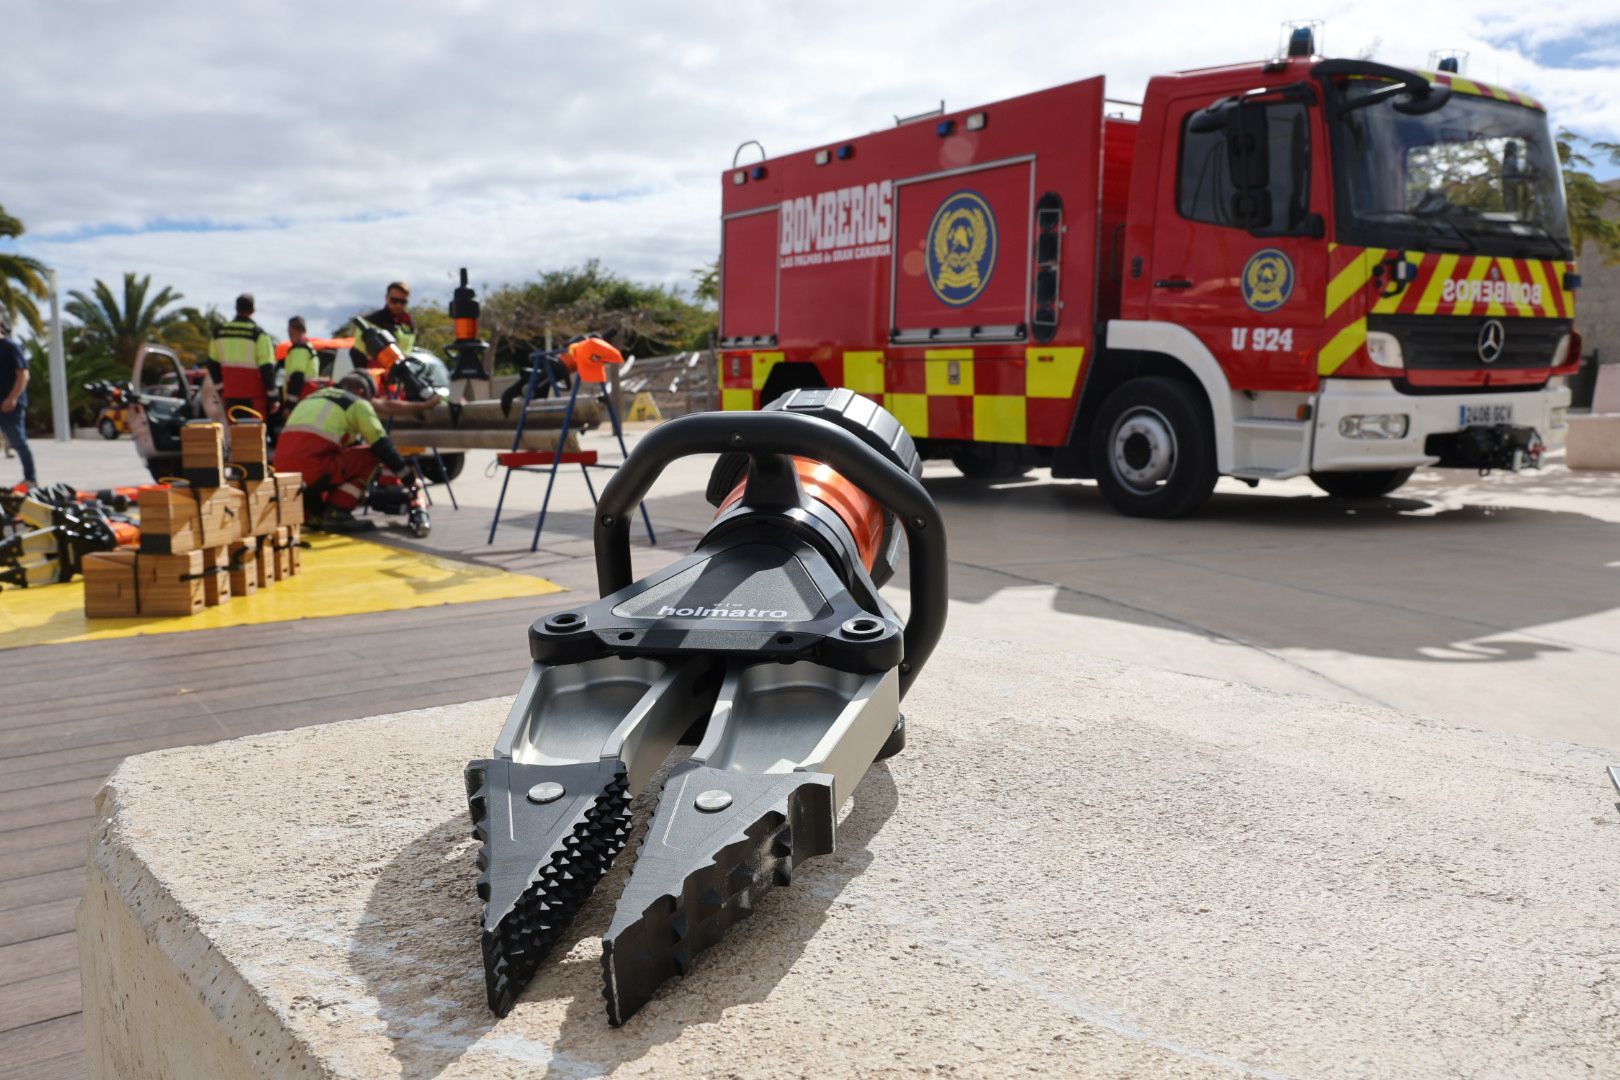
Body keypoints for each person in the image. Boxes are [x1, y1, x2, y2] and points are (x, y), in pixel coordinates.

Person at [272, 371, 434, 531]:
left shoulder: (310, 399)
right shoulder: (356, 403)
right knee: (372, 455)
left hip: (284, 476)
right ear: (362, 393)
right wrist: (410, 480)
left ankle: (314, 514)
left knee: (337, 459)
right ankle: (337, 513)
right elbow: (382, 446)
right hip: (312, 472)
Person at [208, 293, 277, 419]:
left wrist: (221, 390)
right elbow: (267, 368)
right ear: (253, 310)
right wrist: (273, 397)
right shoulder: (258, 334)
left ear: (236, 309)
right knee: (254, 435)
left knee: (236, 435)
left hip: (229, 395)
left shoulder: (219, 333)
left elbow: (212, 364)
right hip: (255, 397)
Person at [0, 310, 37, 488]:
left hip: (10, 405)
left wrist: (12, 398)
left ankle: (30, 479)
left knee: (18, 441)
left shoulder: (10, 347)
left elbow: (24, 375)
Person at [348, 281, 416, 367]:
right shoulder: (370, 321)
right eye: (394, 301)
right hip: (375, 375)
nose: (398, 305)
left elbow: (407, 352)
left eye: (403, 302)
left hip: (401, 375)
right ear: (387, 298)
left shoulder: (409, 325)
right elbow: (357, 356)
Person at [283, 316, 319, 402]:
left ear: (291, 329)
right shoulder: (308, 347)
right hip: (307, 397)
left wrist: (290, 404)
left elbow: (297, 376)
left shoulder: (300, 348)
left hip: (299, 399)